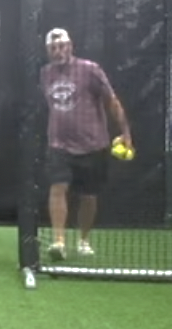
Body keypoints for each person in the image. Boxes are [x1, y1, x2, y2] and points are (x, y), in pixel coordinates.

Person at [39, 28, 132, 261]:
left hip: (92, 145)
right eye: (53, 48)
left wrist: (126, 132)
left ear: (70, 46)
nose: (58, 51)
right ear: (48, 51)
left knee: (88, 196)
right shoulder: (45, 74)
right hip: (58, 144)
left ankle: (83, 240)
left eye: (62, 46)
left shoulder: (90, 70)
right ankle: (59, 242)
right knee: (57, 187)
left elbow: (112, 101)